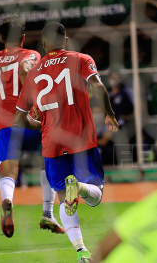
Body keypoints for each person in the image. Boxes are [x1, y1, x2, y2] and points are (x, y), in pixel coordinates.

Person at [14, 22, 119, 262]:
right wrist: (110, 114)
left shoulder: (34, 73)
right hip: (81, 139)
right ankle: (80, 187)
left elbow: (19, 118)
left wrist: (40, 125)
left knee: (63, 199)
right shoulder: (80, 59)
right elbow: (97, 86)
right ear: (67, 40)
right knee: (97, 196)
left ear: (42, 44)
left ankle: (82, 252)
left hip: (51, 144)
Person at [0, 16, 65, 238]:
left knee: (9, 173)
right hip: (31, 121)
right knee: (49, 163)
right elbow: (27, 70)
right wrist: (36, 104)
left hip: (6, 125)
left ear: (0, 38)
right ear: (24, 38)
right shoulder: (31, 55)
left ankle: (7, 200)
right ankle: (48, 212)